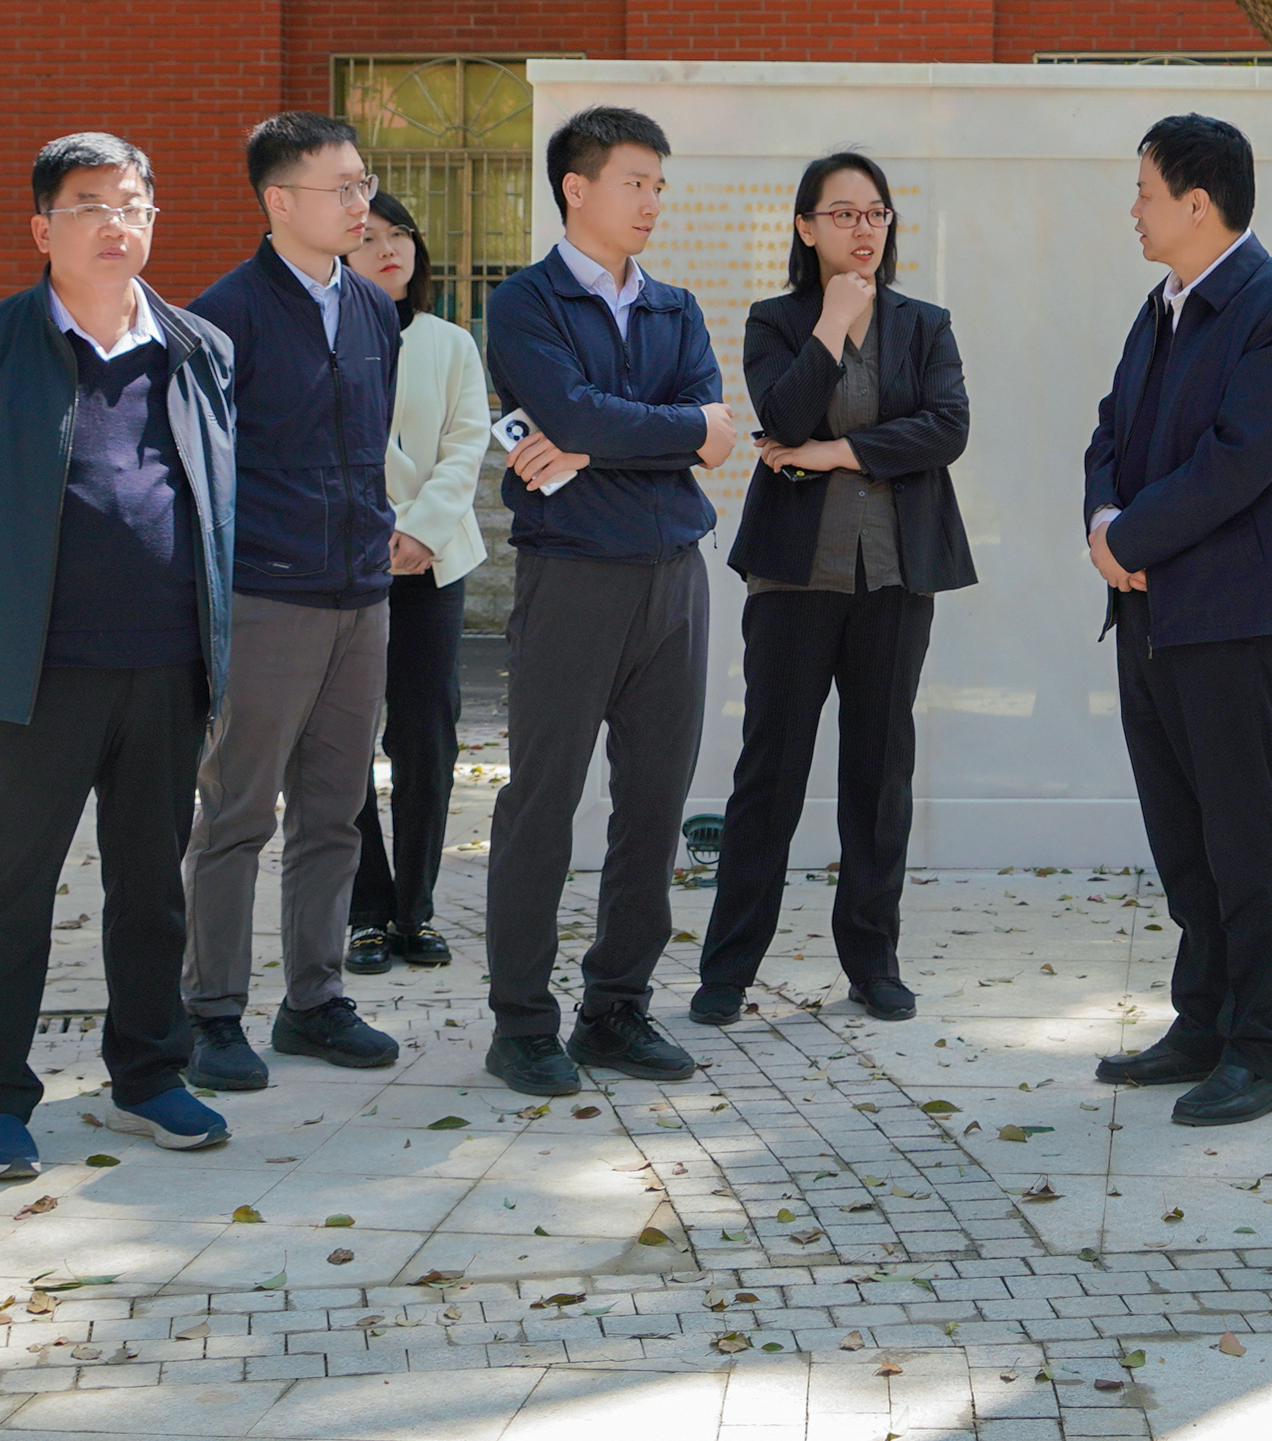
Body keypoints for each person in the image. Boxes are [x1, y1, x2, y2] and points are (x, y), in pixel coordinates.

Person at [0, 132, 239, 1180]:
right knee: (13, 882)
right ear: (43, 228)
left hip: (168, 665)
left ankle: (149, 1076)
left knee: (152, 884)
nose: (113, 222)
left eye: (131, 203)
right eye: (88, 204)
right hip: (32, 674)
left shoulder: (199, 348)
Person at [1081, 115, 1272, 1130]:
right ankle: (1202, 1023)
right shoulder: (1161, 307)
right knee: (1181, 835)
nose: (1132, 210)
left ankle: (1264, 1049)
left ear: (1197, 202)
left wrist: (1130, 537)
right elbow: (1111, 429)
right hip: (1147, 609)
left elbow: (1239, 459)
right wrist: (1104, 525)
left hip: (1229, 615)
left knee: (1241, 837)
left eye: (1144, 192)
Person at [481, 106, 737, 1097]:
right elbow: (578, 414)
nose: (651, 201)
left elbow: (717, 433)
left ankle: (615, 1007)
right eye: (635, 182)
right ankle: (521, 1023)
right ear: (576, 187)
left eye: (658, 185)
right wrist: (659, 430)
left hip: (675, 576)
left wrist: (600, 442)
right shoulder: (525, 303)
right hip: (572, 576)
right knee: (543, 800)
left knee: (654, 804)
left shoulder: (674, 307)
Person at [692, 151, 973, 1027]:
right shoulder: (775, 320)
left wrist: (833, 452)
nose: (863, 228)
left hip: (895, 572)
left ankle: (872, 960)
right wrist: (834, 321)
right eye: (843, 213)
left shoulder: (924, 324)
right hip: (793, 575)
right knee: (769, 770)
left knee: (879, 772)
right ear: (805, 227)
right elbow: (780, 415)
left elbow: (946, 427)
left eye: (876, 213)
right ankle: (727, 967)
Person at [179, 115, 406, 1087]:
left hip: (363, 592)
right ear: (278, 201)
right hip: (266, 595)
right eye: (339, 188)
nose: (361, 205)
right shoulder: (221, 317)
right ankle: (210, 1012)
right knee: (237, 812)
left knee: (336, 811)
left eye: (364, 184)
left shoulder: (373, 310)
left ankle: (314, 1001)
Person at [343, 189, 491, 973]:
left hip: (432, 564)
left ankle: (414, 910)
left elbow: (467, 444)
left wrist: (422, 529)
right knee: (343, 739)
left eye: (399, 233)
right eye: (368, 237)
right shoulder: (325, 336)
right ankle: (365, 911)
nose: (389, 248)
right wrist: (377, 532)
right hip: (349, 564)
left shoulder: (450, 341)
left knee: (425, 737)